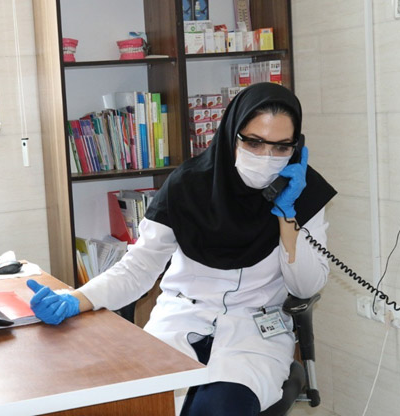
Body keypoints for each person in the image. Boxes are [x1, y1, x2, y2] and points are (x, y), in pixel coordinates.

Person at [26, 82, 336, 415]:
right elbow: (139, 267)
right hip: (182, 317)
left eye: (281, 147)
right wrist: (77, 299)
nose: (266, 157)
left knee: (218, 409)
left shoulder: (303, 192)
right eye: (254, 142)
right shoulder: (187, 186)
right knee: (144, 406)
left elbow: (305, 286)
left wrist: (289, 217)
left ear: (297, 147)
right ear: (232, 134)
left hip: (255, 331)